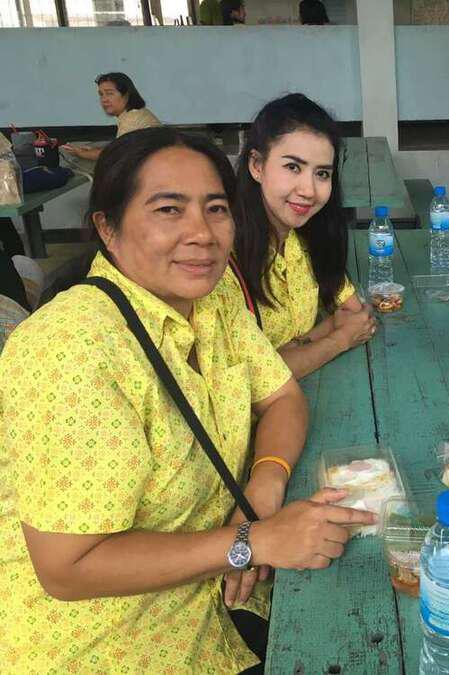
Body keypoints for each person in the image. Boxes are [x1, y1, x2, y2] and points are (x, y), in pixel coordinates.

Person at [0, 127, 375, 671]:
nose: (202, 233)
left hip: (219, 597)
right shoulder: (72, 348)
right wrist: (250, 542)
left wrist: (262, 493)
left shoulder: (215, 296)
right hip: (110, 642)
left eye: (215, 209)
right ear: (107, 227)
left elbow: (282, 397)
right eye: (169, 210)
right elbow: (66, 568)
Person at [226, 94, 375, 379]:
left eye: (322, 174)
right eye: (293, 167)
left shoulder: (305, 239)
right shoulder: (221, 261)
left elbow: (355, 312)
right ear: (257, 166)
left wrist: (297, 349)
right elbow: (253, 377)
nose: (308, 190)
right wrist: (338, 338)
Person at [61, 73, 161, 162]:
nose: (104, 99)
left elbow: (115, 156)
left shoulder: (132, 118)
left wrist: (81, 153)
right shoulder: (134, 113)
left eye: (109, 93)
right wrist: (91, 150)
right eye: (101, 94)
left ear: (126, 95)